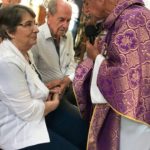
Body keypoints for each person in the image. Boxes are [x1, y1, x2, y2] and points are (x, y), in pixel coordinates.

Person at [0, 5, 87, 150]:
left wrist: (48, 88)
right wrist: (53, 103)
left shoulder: (25, 51)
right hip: (19, 127)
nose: (36, 28)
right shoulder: (7, 61)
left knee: (84, 130)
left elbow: (29, 85)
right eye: (28, 24)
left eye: (34, 23)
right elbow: (27, 111)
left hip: (43, 106)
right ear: (10, 32)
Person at [73, 0, 150, 150]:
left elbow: (126, 79)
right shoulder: (122, 20)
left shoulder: (133, 19)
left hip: (133, 120)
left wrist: (96, 58)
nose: (86, 10)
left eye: (87, 3)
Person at [31, 0, 77, 105]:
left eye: (68, 21)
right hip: (45, 98)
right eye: (61, 20)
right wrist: (47, 88)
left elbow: (72, 63)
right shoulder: (36, 38)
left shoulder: (68, 35)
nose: (65, 25)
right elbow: (31, 75)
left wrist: (67, 80)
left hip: (66, 90)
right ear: (48, 16)